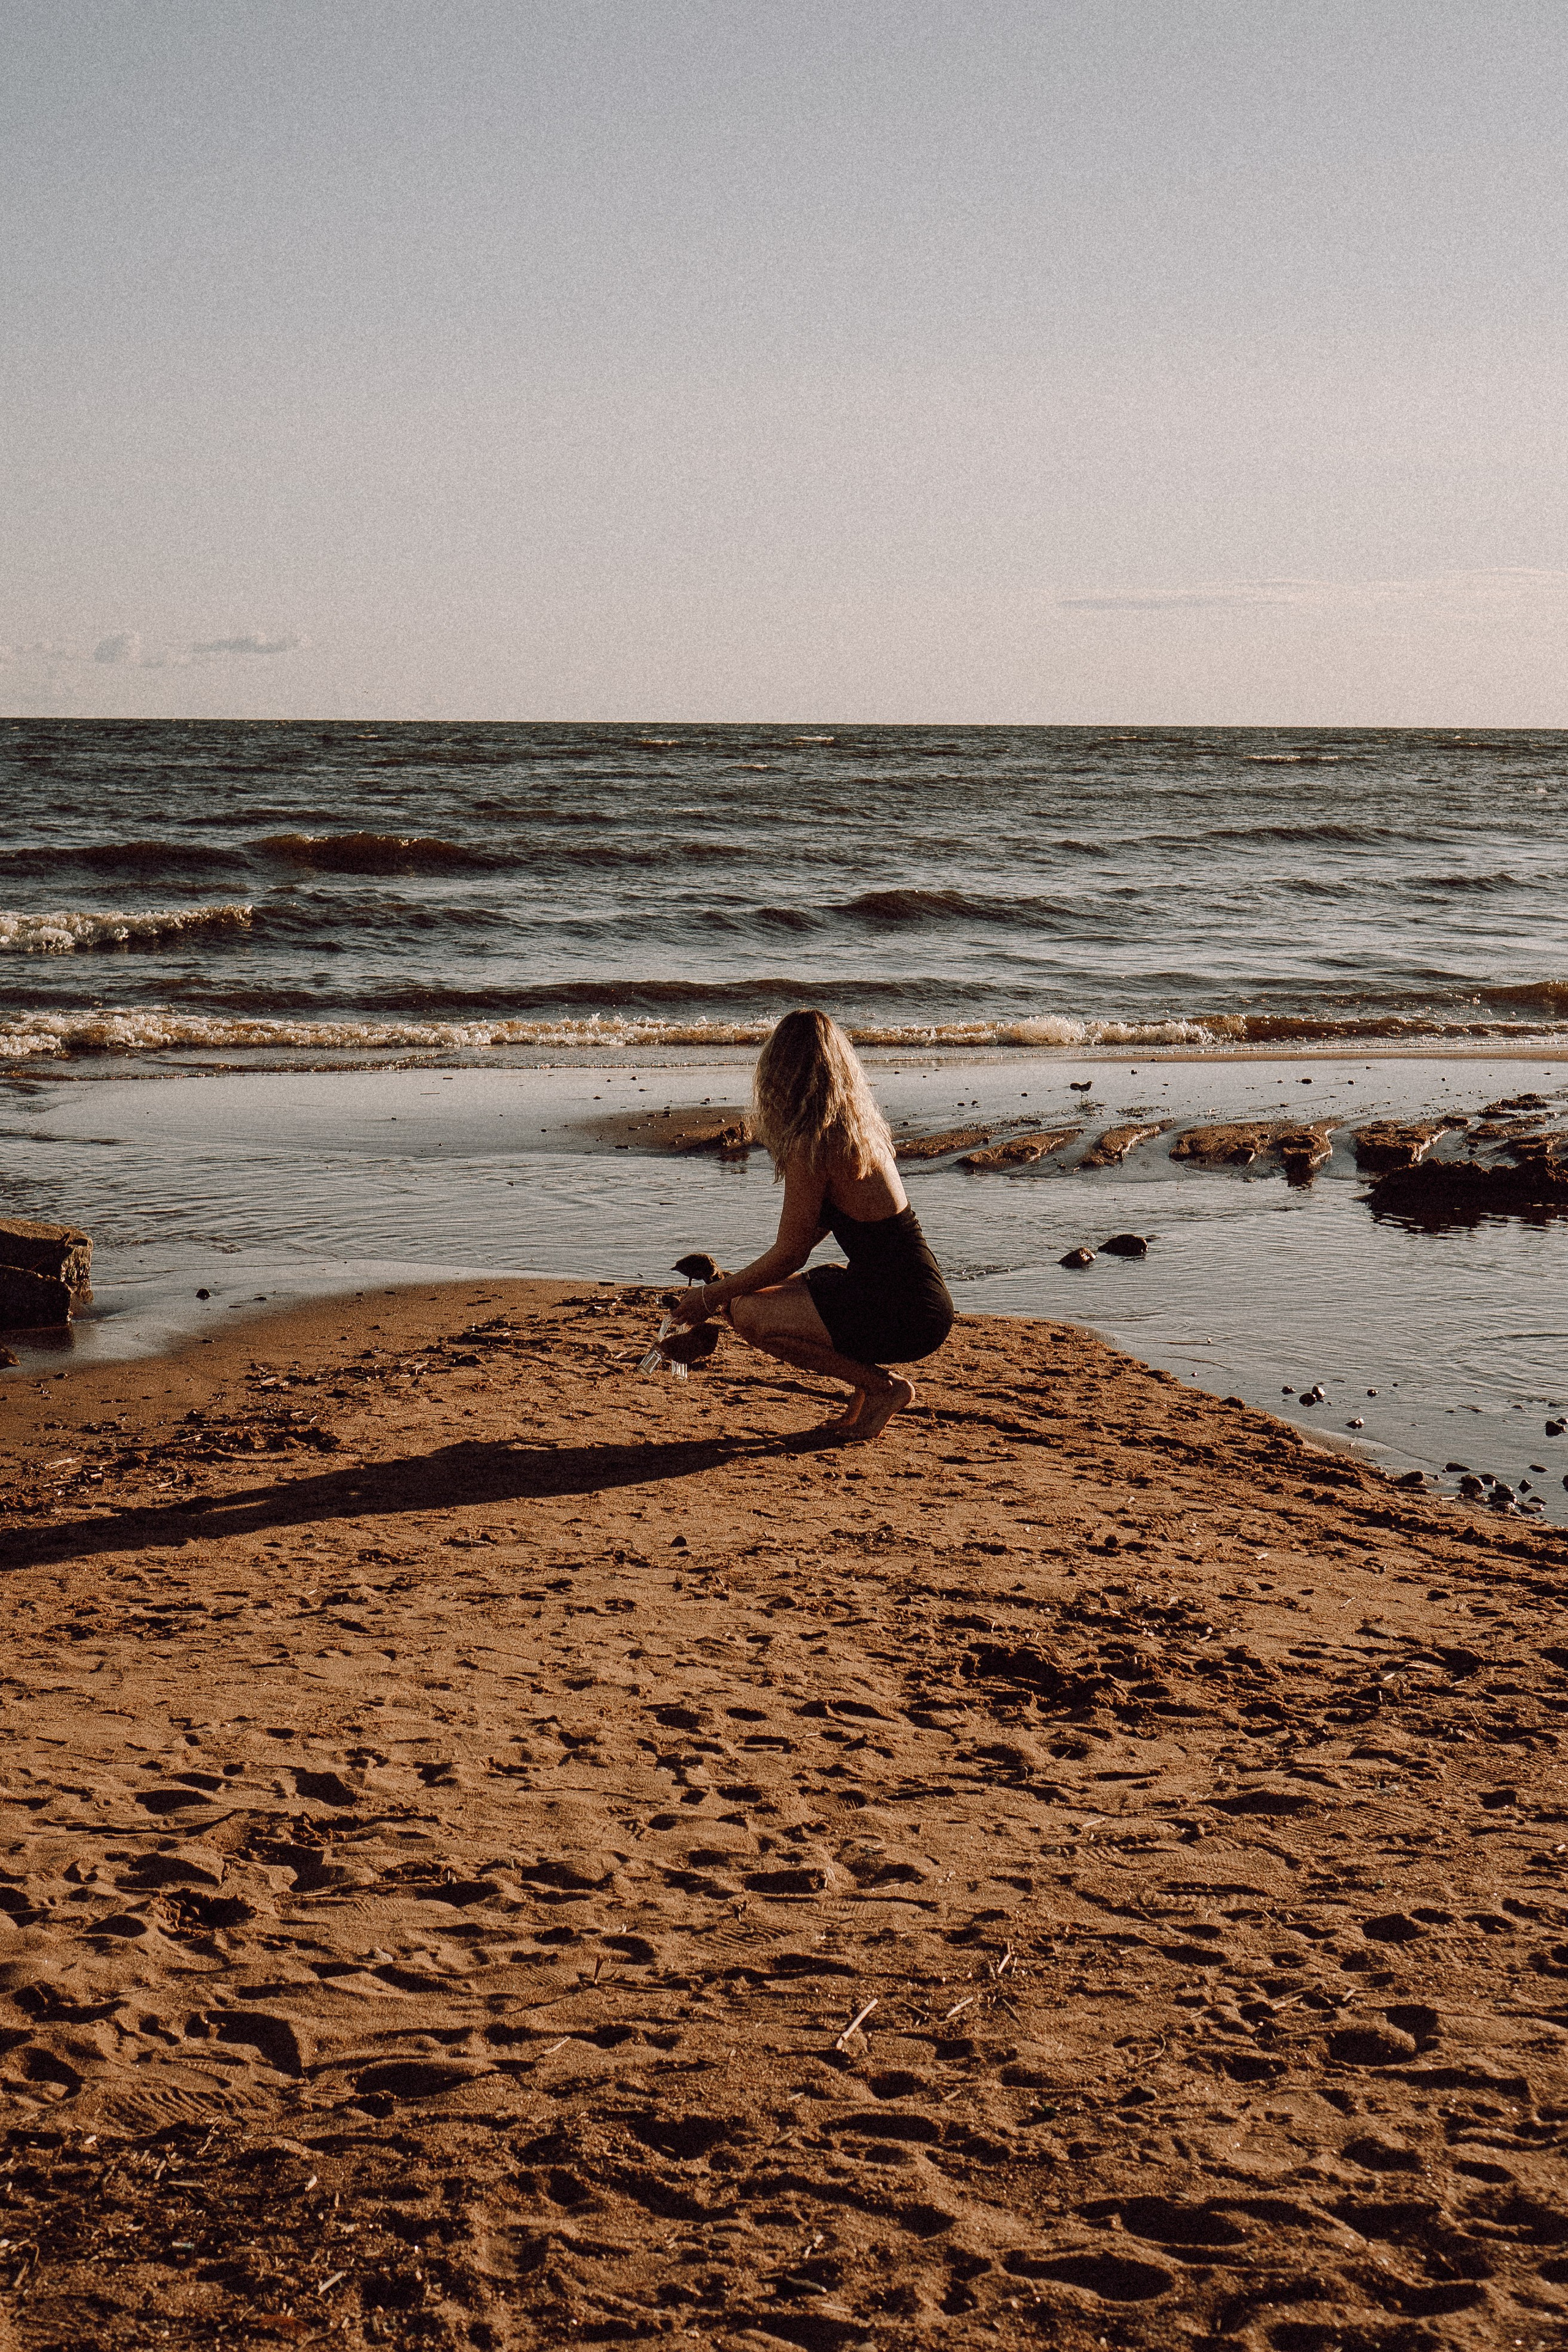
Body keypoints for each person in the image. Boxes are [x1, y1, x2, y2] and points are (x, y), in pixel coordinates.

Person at [666, 1008, 954, 1440]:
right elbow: (814, 1234)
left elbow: (791, 1253)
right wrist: (734, 1287)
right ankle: (867, 1390)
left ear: (779, 1072)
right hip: (908, 1292)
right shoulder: (859, 1131)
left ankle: (881, 1387)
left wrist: (712, 1296)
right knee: (749, 1297)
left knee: (750, 1315)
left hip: (906, 1311)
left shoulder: (814, 1145)